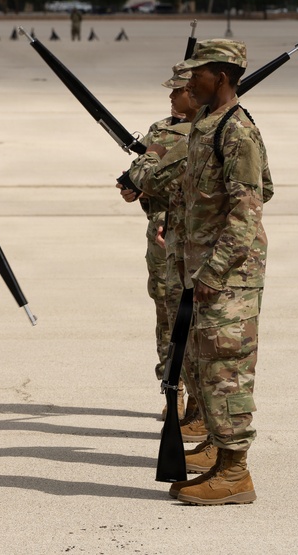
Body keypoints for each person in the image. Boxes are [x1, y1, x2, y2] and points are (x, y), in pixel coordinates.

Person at [167, 39, 273, 505]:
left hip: (227, 275)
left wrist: (215, 268)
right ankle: (220, 457)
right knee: (204, 365)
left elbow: (248, 208)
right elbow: (258, 188)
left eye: (198, 74)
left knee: (227, 367)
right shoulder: (208, 125)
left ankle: (236, 473)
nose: (190, 82)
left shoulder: (237, 130)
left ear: (224, 77)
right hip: (203, 269)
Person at [118, 66, 194, 420]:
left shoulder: (215, 130)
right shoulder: (159, 130)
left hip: (199, 234)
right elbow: (139, 177)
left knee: (201, 320)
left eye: (176, 90)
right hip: (163, 236)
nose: (170, 97)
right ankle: (172, 389)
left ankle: (200, 399)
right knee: (167, 315)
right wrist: (133, 186)